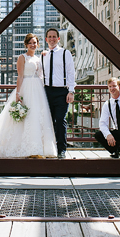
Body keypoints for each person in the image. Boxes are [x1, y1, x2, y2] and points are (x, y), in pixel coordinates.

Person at [0, 33, 57, 158]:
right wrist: (18, 93)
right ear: (26, 44)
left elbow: (41, 75)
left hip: (38, 89)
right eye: (30, 43)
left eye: (35, 43)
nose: (33, 45)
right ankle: (21, 147)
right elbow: (20, 76)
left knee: (37, 116)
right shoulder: (22, 57)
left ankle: (38, 148)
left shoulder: (39, 58)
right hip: (26, 87)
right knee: (25, 116)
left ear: (38, 44)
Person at [42, 28, 76, 159]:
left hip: (62, 91)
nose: (52, 39)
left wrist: (71, 91)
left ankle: (62, 149)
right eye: (49, 37)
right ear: (46, 39)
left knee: (61, 120)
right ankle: (49, 148)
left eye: (54, 36)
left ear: (58, 39)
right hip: (47, 91)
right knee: (48, 121)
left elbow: (71, 72)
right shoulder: (43, 55)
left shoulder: (65, 53)